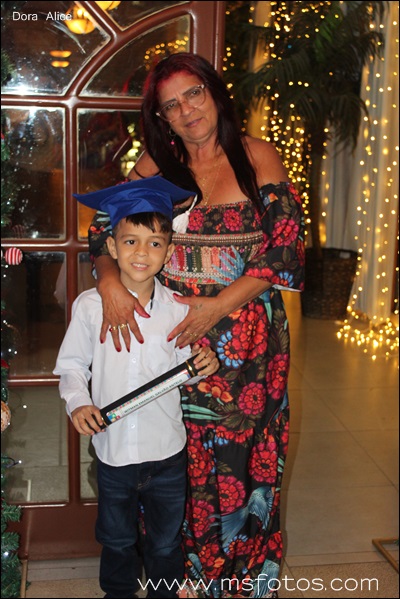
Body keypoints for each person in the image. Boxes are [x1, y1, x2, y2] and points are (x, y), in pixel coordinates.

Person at [88, 52, 305, 599]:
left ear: (214, 93)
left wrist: (215, 308)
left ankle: (237, 582)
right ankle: (175, 580)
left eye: (193, 94)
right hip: (167, 341)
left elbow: (284, 249)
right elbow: (102, 229)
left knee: (241, 464)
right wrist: (110, 281)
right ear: (161, 117)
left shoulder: (257, 156)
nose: (186, 111)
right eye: (171, 105)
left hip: (247, 345)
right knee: (169, 462)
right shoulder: (156, 164)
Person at [54, 177, 220, 599]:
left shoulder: (177, 310)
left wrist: (200, 366)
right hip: (113, 453)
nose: (142, 253)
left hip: (166, 451)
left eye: (154, 243)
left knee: (165, 543)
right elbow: (72, 366)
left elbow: (183, 369)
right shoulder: (90, 307)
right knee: (116, 539)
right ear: (111, 247)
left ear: (169, 250)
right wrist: (78, 403)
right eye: (130, 242)